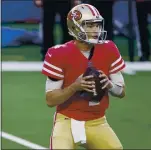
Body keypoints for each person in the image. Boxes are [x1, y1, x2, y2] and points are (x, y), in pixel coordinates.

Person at [42, 4, 126, 149]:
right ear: (76, 27)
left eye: (97, 25)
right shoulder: (58, 54)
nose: (96, 30)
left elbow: (121, 92)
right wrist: (75, 86)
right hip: (67, 120)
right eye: (90, 26)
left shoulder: (109, 48)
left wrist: (109, 85)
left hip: (97, 121)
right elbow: (50, 100)